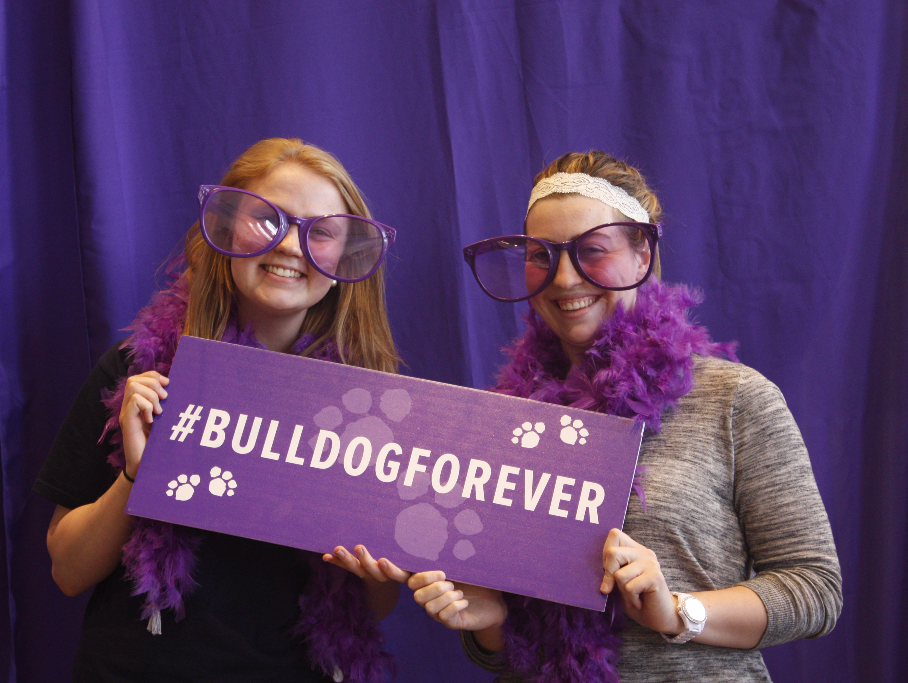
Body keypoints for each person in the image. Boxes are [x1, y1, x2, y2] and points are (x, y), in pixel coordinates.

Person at [350, 151, 842, 682]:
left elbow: (815, 588)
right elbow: (506, 653)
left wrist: (677, 611)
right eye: (540, 255)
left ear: (642, 255)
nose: (564, 279)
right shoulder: (502, 418)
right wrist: (490, 624)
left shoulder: (735, 399)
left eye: (592, 251)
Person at [34, 138, 403, 683]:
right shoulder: (138, 374)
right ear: (225, 228)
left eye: (320, 232)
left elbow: (372, 608)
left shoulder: (368, 410)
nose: (290, 246)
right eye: (267, 219)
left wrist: (371, 563)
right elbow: (67, 571)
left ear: (346, 259)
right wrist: (140, 476)